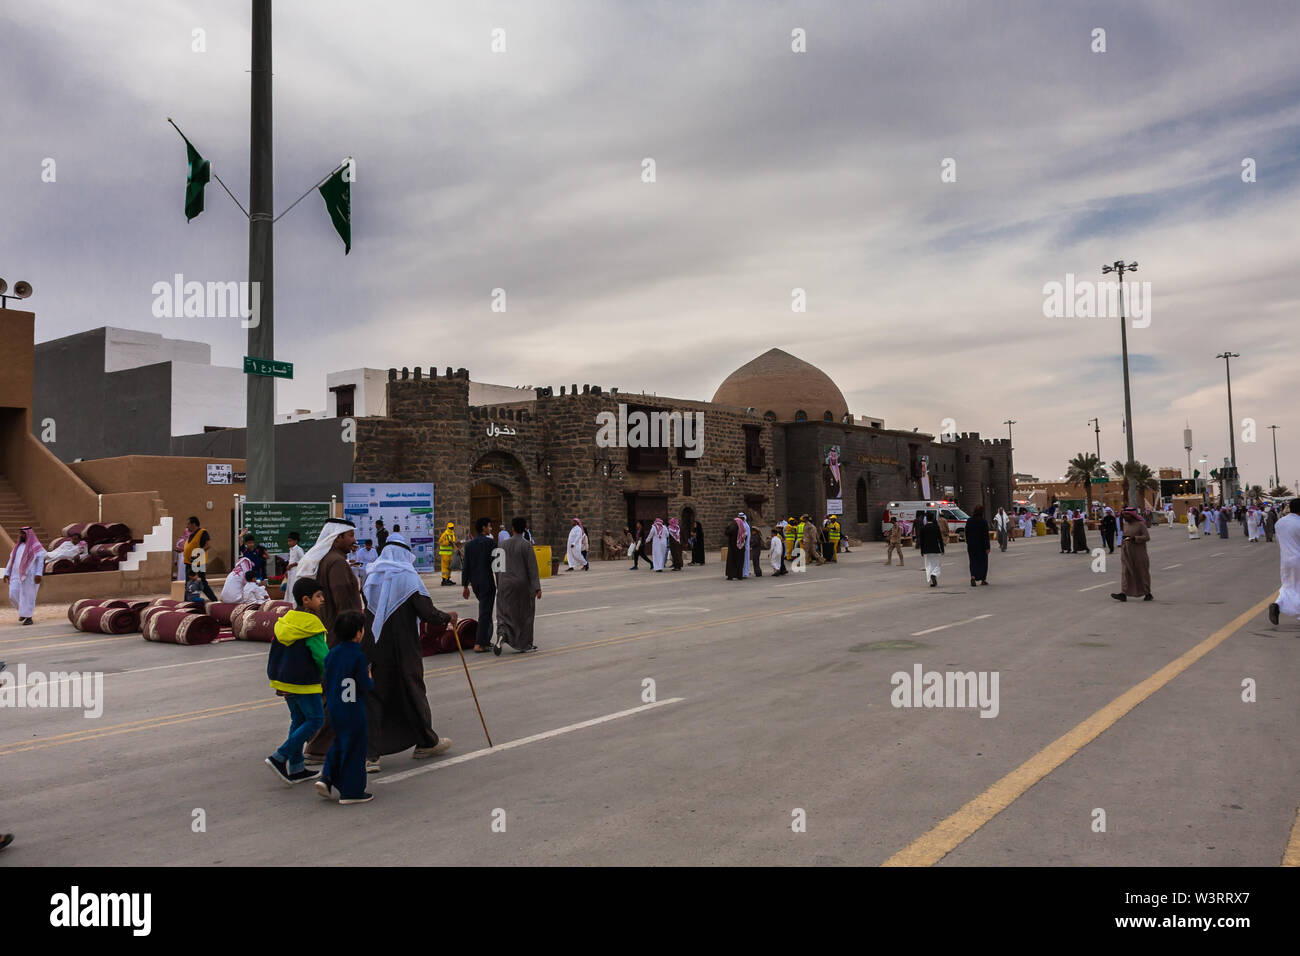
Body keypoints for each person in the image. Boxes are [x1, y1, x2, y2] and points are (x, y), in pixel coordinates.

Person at [361, 540, 456, 768]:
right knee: (413, 690)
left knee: (376, 697)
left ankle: (371, 755)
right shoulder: (409, 578)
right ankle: (426, 742)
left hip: (376, 646)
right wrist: (447, 617)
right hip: (404, 647)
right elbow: (427, 613)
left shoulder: (372, 577)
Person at [297, 518, 363, 764]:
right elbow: (345, 603)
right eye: (350, 536)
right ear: (337, 538)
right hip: (340, 637)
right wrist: (354, 634)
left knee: (332, 693)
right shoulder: (335, 563)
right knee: (339, 695)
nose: (353, 540)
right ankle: (318, 747)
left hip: (331, 636)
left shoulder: (328, 561)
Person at [264, 576, 328, 785]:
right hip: (304, 681)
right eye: (319, 596)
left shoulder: (286, 620)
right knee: (316, 719)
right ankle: (279, 757)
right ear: (306, 600)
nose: (323, 600)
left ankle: (297, 767)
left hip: (284, 679)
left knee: (299, 720)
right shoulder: (312, 624)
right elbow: (322, 657)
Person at [316, 609, 374, 804]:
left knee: (340, 741)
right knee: (356, 749)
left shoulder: (332, 654)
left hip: (335, 707)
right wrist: (370, 678)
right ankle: (352, 791)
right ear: (358, 633)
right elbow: (365, 686)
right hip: (353, 708)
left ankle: (328, 776)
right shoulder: (358, 657)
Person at [495, 517, 541, 654]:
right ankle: (525, 644)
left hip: (504, 583)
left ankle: (502, 634)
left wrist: (499, 583)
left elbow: (496, 567)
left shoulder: (501, 545)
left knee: (503, 612)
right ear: (524, 528)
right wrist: (537, 587)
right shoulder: (526, 545)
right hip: (522, 585)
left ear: (512, 528)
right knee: (525, 614)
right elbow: (532, 568)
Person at [461, 517, 498, 653]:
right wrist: (500, 581)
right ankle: (479, 643)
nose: (491, 529)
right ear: (483, 528)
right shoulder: (490, 543)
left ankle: (485, 640)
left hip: (475, 583)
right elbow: (497, 565)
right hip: (487, 582)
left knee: (485, 611)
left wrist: (465, 585)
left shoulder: (469, 545)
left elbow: (466, 567)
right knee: (485, 613)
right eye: (489, 526)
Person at [1267, 499, 1300, 627]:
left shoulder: (1280, 523)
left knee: (1288, 586)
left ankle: (1277, 605)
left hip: (1286, 560)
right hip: (1298, 558)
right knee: (1297, 587)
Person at [4, 527, 45, 625]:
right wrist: (6, 572)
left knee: (28, 596)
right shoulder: (17, 546)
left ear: (28, 534)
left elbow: (40, 562)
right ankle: (23, 612)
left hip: (30, 576)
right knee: (12, 595)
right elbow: (11, 560)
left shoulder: (36, 547)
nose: (21, 535)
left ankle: (28, 617)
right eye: (20, 533)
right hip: (16, 575)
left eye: (23, 533)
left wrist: (39, 574)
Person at [1111, 507, 1152, 602]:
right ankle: (1123, 594)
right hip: (1126, 552)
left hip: (1139, 553)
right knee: (1126, 572)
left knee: (1142, 572)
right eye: (1124, 515)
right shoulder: (1125, 525)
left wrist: (1135, 538)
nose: (1125, 517)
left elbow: (1147, 537)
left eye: (1127, 515)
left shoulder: (1140, 525)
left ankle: (1147, 593)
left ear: (1132, 515)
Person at [181, 516, 218, 601]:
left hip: (197, 562)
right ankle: (187, 601)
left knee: (202, 582)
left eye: (188, 524)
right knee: (188, 583)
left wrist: (197, 554)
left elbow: (208, 545)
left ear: (194, 524)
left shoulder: (202, 532)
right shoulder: (191, 535)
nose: (187, 526)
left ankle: (214, 600)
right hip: (189, 562)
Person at [917, 512, 944, 588]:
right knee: (937, 564)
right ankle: (934, 574)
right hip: (935, 549)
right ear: (933, 518)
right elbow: (940, 539)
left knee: (928, 565)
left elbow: (921, 541)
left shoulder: (923, 528)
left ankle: (932, 580)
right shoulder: (936, 527)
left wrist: (922, 551)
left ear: (927, 519)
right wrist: (942, 549)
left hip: (926, 550)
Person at [966, 505, 991, 586]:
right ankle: (983, 579)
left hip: (971, 545)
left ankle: (973, 577)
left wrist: (969, 542)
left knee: (973, 561)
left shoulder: (969, 521)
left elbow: (966, 532)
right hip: (982, 546)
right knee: (983, 562)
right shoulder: (983, 522)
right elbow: (986, 536)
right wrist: (987, 547)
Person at [283, 531, 305, 597]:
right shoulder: (291, 550)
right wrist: (287, 571)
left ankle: (294, 602)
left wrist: (293, 565)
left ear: (295, 541)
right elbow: (290, 561)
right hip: (290, 572)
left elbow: (303, 560)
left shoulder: (299, 549)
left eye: (290, 541)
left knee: (293, 586)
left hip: (296, 571)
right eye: (288, 541)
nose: (289, 543)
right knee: (289, 587)